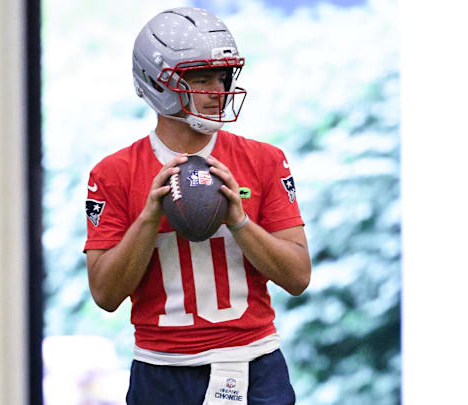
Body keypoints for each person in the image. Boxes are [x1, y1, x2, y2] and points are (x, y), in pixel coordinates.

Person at [83, 7, 311, 405]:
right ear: (158, 83)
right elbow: (105, 295)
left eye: (222, 77)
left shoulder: (265, 160)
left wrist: (239, 221)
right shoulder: (114, 172)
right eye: (201, 79)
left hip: (253, 363)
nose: (217, 91)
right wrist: (150, 218)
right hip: (160, 369)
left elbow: (297, 278)